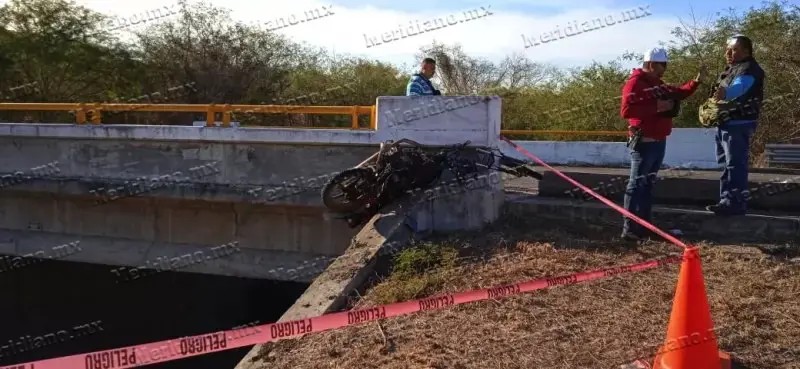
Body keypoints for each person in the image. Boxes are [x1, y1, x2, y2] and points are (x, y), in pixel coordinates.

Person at [619, 47, 705, 241]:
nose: (664, 68)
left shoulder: (658, 84)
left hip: (658, 142)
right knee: (636, 186)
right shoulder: (635, 83)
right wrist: (656, 107)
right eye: (662, 65)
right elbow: (626, 110)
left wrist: (695, 82)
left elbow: (679, 93)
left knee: (647, 185)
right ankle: (630, 229)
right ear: (650, 64)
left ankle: (644, 226)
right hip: (644, 142)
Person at [706, 35, 765, 216]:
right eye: (728, 49)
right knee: (726, 164)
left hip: (738, 124)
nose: (728, 53)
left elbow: (739, 88)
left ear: (746, 51)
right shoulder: (732, 69)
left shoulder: (749, 69)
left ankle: (736, 204)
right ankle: (727, 200)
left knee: (735, 165)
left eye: (734, 49)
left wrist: (725, 92)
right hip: (725, 123)